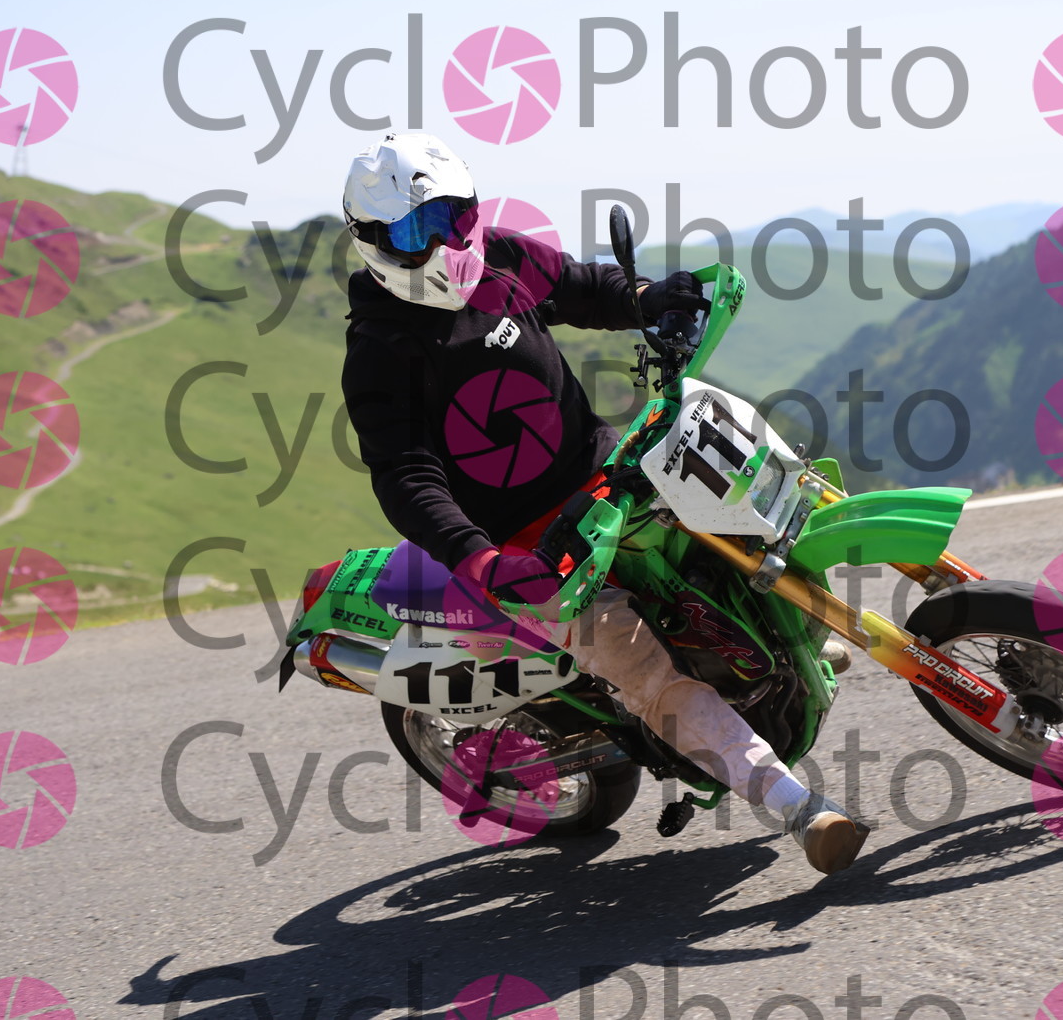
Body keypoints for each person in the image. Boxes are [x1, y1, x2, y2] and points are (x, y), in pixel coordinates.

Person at [338, 132, 869, 874]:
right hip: (531, 547)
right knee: (641, 666)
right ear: (373, 242)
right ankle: (798, 806)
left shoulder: (500, 256)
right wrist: (482, 559)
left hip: (610, 472)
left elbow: (580, 286)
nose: (447, 241)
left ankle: (785, 645)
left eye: (454, 215)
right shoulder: (381, 350)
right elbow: (405, 475)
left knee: (751, 519)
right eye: (414, 230)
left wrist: (650, 298)